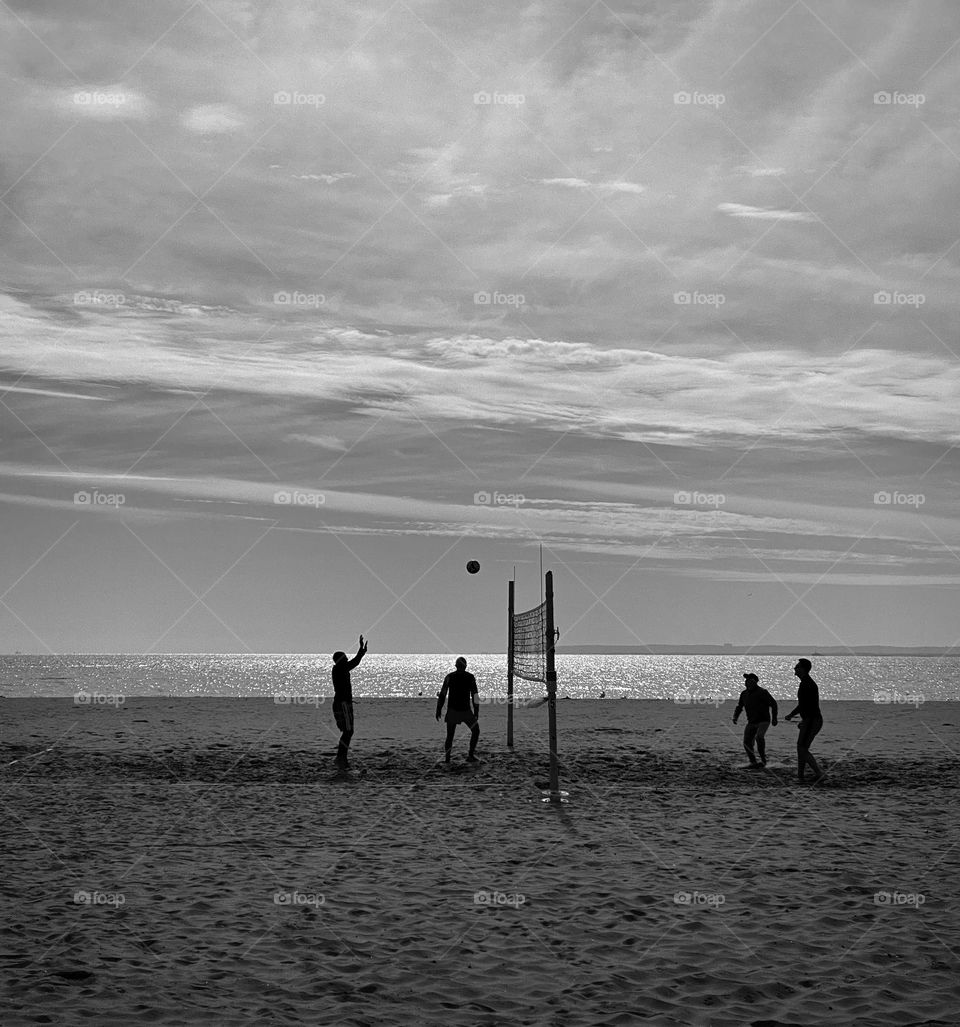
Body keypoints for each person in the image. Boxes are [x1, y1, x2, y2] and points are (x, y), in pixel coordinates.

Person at [784, 658, 824, 784]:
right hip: (809, 719)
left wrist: (791, 715)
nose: (794, 669)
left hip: (812, 720)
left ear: (803, 669)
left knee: (802, 748)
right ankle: (800, 775)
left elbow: (804, 705)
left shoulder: (807, 684)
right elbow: (805, 705)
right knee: (801, 748)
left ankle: (819, 773)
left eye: (797, 667)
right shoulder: (805, 683)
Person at [331, 635, 367, 769]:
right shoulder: (339, 668)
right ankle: (341, 757)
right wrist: (361, 652)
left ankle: (341, 756)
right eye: (345, 658)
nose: (347, 659)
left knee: (348, 731)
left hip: (343, 703)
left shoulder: (340, 668)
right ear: (340, 660)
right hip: (343, 704)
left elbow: (354, 662)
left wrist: (361, 652)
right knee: (348, 731)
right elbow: (355, 662)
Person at [436, 657, 480, 763]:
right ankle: (468, 755)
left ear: (457, 666)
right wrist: (476, 711)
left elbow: (443, 694)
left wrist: (439, 709)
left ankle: (451, 758)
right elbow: (475, 695)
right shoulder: (467, 677)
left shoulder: (451, 677)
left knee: (453, 735)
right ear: (464, 666)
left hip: (460, 710)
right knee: (453, 735)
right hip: (459, 710)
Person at [733, 672, 778, 767]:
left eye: (750, 680)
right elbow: (740, 706)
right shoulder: (744, 694)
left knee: (759, 737)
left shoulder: (762, 692)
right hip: (751, 721)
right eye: (746, 681)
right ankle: (753, 761)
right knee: (746, 742)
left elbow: (773, 704)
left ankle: (763, 760)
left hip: (763, 720)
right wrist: (735, 717)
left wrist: (774, 718)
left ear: (755, 682)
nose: (747, 682)